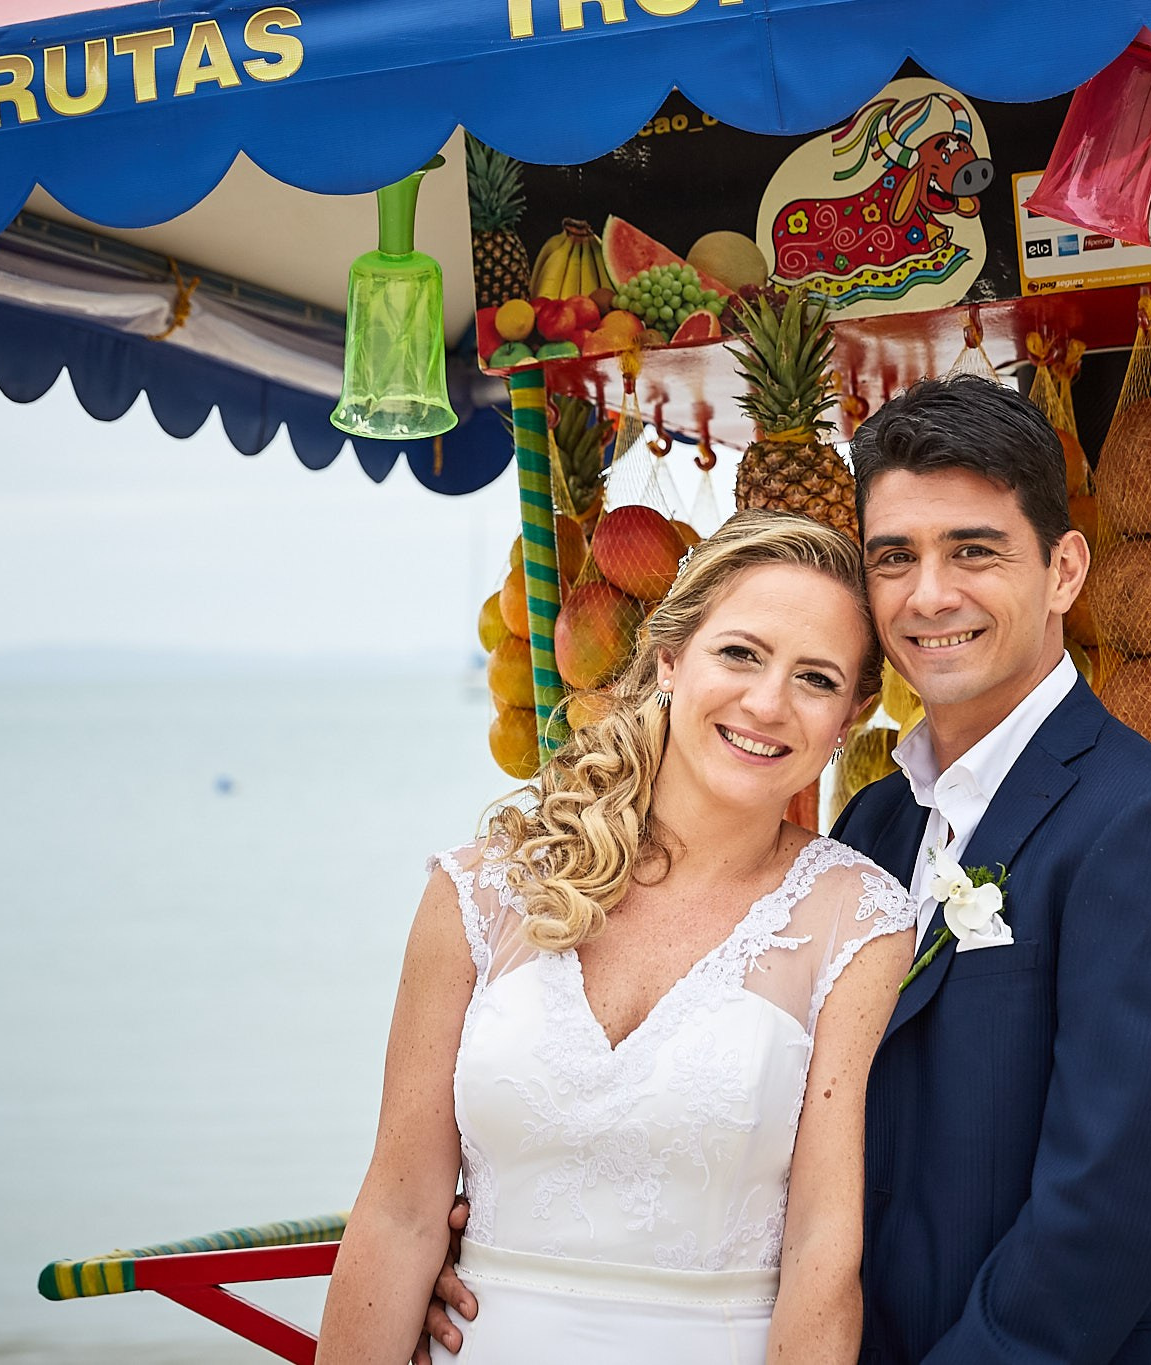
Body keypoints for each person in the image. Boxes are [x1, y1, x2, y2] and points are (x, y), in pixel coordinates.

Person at [423, 374, 1151, 1364]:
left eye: (973, 552)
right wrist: (508, 1240)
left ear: (1065, 569)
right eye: (894, 557)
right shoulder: (873, 821)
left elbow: (1111, 1214)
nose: (929, 594)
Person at [318, 510, 918, 1365]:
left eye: (816, 678)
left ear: (852, 714)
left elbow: (824, 1253)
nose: (767, 702)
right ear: (671, 657)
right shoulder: (480, 891)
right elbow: (399, 1209)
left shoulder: (860, 924)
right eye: (740, 653)